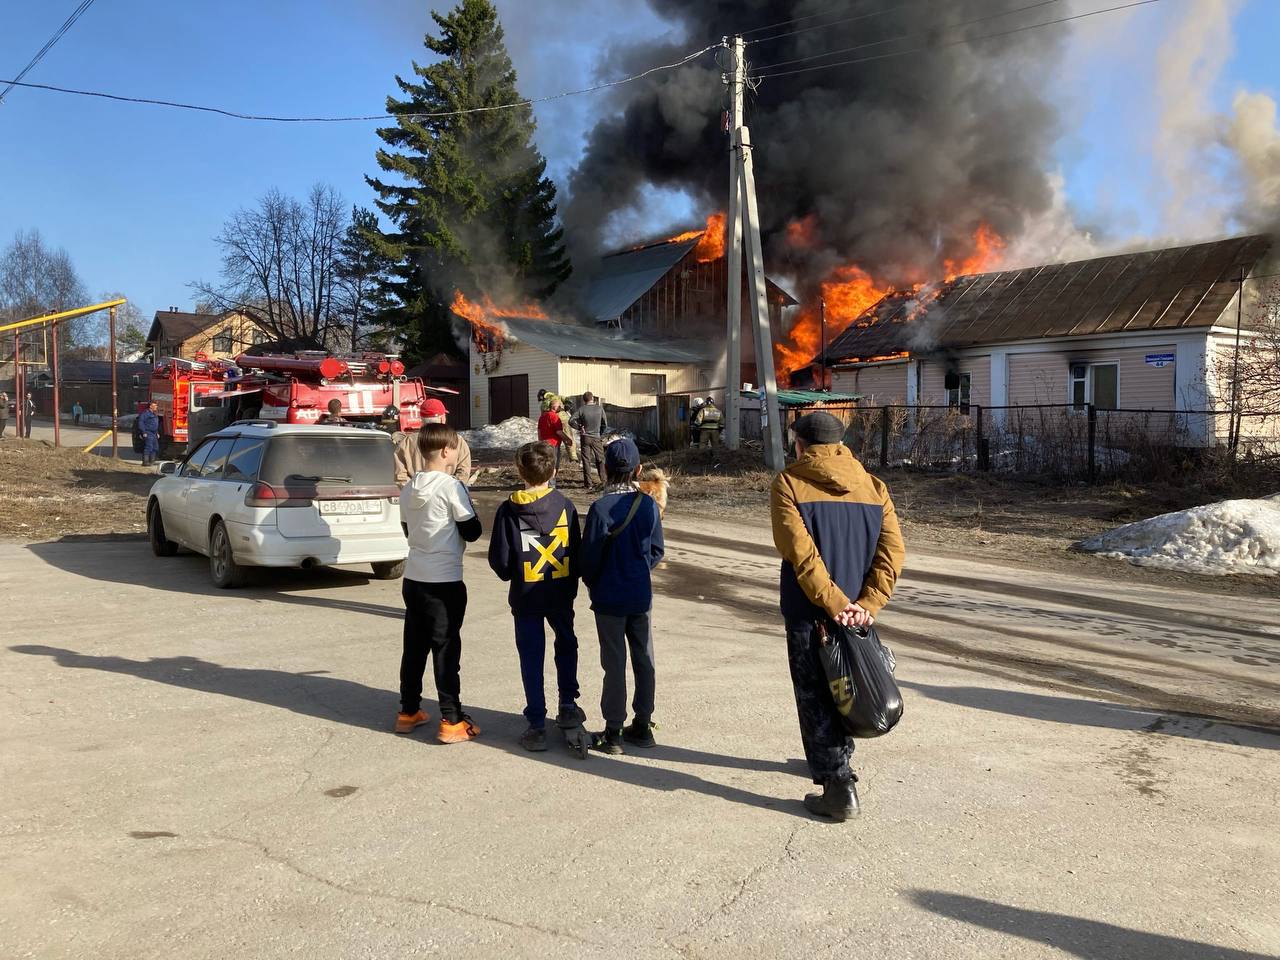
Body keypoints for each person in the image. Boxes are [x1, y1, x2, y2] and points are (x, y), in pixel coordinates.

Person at [769, 411, 905, 822]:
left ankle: (837, 786)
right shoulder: (874, 486)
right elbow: (892, 553)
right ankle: (837, 757)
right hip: (856, 614)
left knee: (815, 692)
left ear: (799, 444)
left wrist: (832, 602)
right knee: (846, 685)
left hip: (812, 611)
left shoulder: (789, 483)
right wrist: (867, 604)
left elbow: (801, 554)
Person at [487, 441, 585, 751]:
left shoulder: (508, 510)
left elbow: (500, 562)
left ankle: (537, 723)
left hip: (526, 597)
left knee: (531, 657)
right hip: (560, 594)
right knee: (566, 645)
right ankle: (568, 704)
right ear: (555, 471)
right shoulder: (565, 506)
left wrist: (512, 573)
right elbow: (577, 552)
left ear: (519, 471)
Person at [396, 423, 483, 744]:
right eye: (457, 446)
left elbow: (407, 529)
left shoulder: (409, 488)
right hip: (444, 579)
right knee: (446, 649)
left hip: (414, 577)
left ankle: (408, 710)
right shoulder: (451, 487)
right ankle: (451, 719)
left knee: (414, 647)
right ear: (446, 451)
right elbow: (472, 530)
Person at [580, 437, 665, 755]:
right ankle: (642, 724)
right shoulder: (648, 505)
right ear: (639, 470)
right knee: (644, 658)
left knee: (614, 664)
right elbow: (657, 549)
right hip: (640, 595)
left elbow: (588, 558)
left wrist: (594, 582)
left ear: (603, 469)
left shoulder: (600, 509)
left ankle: (613, 732)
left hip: (608, 599)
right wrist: (640, 571)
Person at [394, 398, 472, 486]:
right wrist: (449, 489)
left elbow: (400, 476)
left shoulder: (407, 443)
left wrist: (415, 490)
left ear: (422, 420)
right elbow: (464, 472)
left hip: (416, 496)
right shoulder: (457, 440)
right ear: (442, 419)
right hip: (446, 496)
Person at [571, 391, 609, 488]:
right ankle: (604, 481)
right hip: (596, 437)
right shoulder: (599, 409)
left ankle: (588, 484)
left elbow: (571, 420)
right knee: (600, 459)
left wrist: (579, 427)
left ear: (584, 400)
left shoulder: (582, 409)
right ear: (593, 398)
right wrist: (600, 433)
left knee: (586, 460)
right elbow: (605, 424)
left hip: (585, 437)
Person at [536, 396, 573, 482]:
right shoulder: (555, 417)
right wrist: (568, 439)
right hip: (553, 445)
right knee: (554, 465)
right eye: (559, 406)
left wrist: (540, 442)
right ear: (555, 407)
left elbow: (539, 431)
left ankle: (544, 482)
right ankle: (552, 484)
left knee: (545, 464)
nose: (560, 408)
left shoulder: (542, 417)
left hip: (543, 444)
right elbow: (559, 432)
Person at [138, 401, 162, 466]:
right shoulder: (145, 414)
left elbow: (155, 424)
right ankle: (145, 462)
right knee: (149, 447)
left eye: (156, 406)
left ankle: (152, 461)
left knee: (155, 447)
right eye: (155, 405)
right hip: (148, 432)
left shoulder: (154, 414)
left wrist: (157, 432)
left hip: (154, 433)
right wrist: (143, 432)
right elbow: (141, 423)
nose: (156, 407)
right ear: (150, 406)